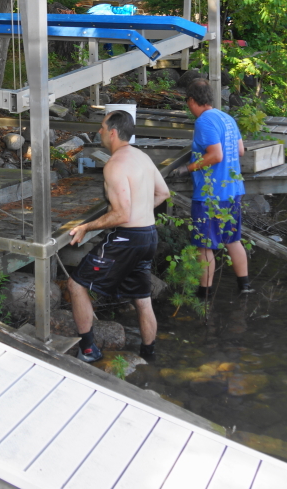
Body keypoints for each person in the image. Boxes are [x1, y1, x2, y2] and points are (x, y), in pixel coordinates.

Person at [67, 110, 170, 363]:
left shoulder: (114, 165)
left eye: (102, 127)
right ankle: (148, 356)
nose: (99, 131)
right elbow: (163, 193)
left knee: (76, 284)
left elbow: (122, 214)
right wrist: (141, 212)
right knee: (142, 299)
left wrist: (86, 227)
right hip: (149, 235)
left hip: (128, 239)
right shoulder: (142, 157)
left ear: (112, 132)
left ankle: (88, 350)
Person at [181, 78, 250, 296]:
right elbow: (240, 151)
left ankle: (205, 294)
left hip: (211, 194)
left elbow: (216, 155)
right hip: (233, 190)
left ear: (192, 100)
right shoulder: (227, 118)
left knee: (204, 245)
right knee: (233, 240)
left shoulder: (203, 121)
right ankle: (245, 287)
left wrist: (189, 167)